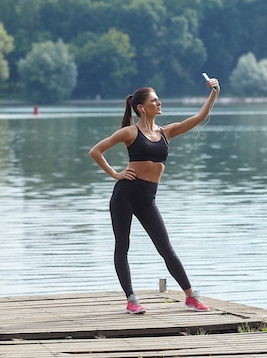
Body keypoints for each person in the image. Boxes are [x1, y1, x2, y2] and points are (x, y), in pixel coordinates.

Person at [89, 76, 220, 314]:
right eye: (155, 100)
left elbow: (199, 117)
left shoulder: (166, 132)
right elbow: (96, 151)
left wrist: (214, 93)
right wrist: (115, 174)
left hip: (147, 199)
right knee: (122, 246)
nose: (159, 103)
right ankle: (132, 299)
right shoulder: (130, 132)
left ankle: (190, 296)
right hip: (125, 195)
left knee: (166, 248)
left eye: (159, 99)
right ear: (141, 107)